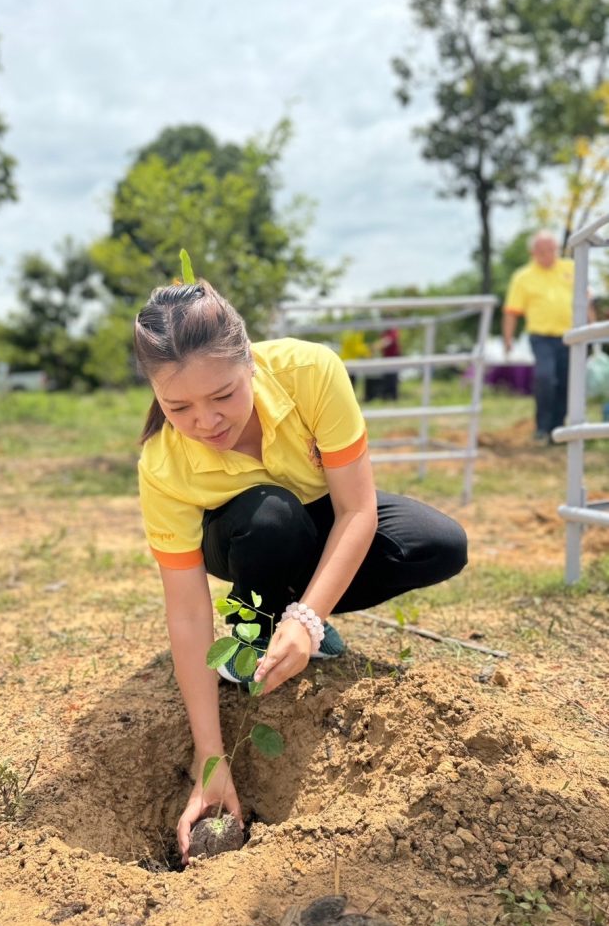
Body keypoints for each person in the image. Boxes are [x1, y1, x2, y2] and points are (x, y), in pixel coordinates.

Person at [134, 279, 468, 863]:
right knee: (272, 519)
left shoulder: (311, 372)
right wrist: (210, 759)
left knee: (439, 544)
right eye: (178, 407)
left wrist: (309, 617)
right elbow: (186, 608)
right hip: (245, 535)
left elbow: (357, 510)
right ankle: (254, 630)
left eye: (223, 395)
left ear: (250, 361)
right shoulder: (163, 464)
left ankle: (294, 612)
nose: (206, 421)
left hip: (325, 516)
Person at [502, 230, 592, 442]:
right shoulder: (523, 277)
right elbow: (511, 311)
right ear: (533, 252)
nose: (548, 255)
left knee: (567, 382)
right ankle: (543, 426)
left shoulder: (571, 268)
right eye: (542, 251)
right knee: (545, 377)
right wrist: (507, 339)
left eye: (551, 250)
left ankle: (557, 429)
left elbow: (586, 300)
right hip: (541, 337)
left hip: (571, 336)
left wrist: (591, 328)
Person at [364, 326, 401, 402]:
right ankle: (386, 396)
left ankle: (393, 396)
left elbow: (387, 341)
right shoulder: (384, 332)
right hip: (386, 358)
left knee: (393, 378)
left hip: (394, 357)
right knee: (387, 378)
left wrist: (375, 346)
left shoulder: (393, 330)